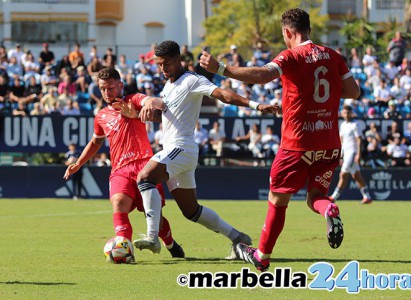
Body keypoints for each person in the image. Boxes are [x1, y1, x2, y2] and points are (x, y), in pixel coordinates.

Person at [200, 7, 360, 272]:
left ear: (287, 32)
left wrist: (222, 69)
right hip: (329, 142)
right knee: (317, 196)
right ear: (309, 29)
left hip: (297, 143)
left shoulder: (291, 56)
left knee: (277, 199)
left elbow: (263, 76)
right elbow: (354, 91)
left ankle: (262, 255)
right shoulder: (334, 56)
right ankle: (329, 211)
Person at [131, 40, 279, 258]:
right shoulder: (168, 85)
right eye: (159, 64)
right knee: (191, 211)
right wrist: (145, 110)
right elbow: (167, 114)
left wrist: (256, 105)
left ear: (178, 59)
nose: (163, 68)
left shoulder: (192, 80)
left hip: (181, 148)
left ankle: (153, 238)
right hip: (180, 152)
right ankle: (238, 237)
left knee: (145, 177)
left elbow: (223, 95)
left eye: (167, 63)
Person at [63, 67, 185, 259]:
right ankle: (124, 246)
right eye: (102, 89)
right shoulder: (101, 115)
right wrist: (79, 162)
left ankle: (170, 243)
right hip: (120, 169)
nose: (106, 92)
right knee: (119, 203)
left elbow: (153, 102)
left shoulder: (133, 100)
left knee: (154, 218)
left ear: (120, 85)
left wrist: (148, 105)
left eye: (110, 88)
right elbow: (96, 141)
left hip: (146, 166)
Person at [329, 106, 372, 204]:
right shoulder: (343, 125)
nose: (346, 114)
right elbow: (341, 140)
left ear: (351, 113)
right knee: (356, 175)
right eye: (344, 113)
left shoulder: (355, 124)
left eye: (348, 112)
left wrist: (358, 154)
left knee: (343, 174)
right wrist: (341, 155)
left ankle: (334, 197)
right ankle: (367, 197)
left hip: (352, 152)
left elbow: (359, 140)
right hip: (345, 153)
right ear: (342, 114)